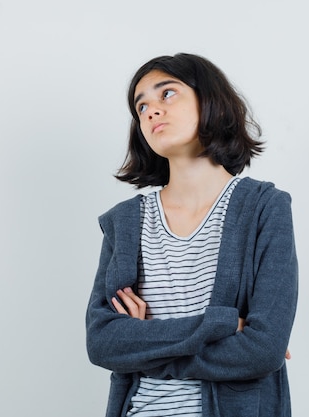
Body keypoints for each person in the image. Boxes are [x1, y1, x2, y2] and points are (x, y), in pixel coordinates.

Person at [85, 53, 298, 417]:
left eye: (167, 94)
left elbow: (263, 350)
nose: (151, 110)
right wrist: (222, 325)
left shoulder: (265, 208)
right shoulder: (124, 223)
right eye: (141, 106)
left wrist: (145, 347)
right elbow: (103, 343)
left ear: (210, 101)